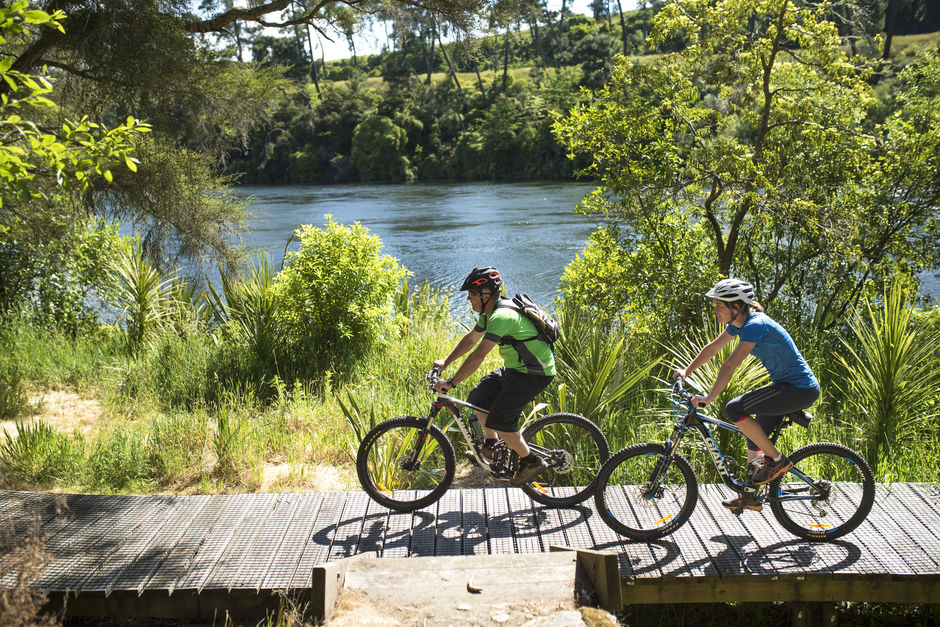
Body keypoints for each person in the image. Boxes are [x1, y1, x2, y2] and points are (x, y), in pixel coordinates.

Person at [674, 278, 820, 512]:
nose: (715, 310)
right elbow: (713, 348)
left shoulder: (755, 325)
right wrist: (686, 371)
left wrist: (709, 399)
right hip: (785, 387)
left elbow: (729, 366)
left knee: (734, 408)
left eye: (719, 305)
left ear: (736, 306)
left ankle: (778, 461)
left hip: (799, 389)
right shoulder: (740, 324)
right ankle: (750, 494)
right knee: (754, 433)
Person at [432, 267, 556, 486]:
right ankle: (493, 447)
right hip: (516, 369)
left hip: (535, 372)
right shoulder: (489, 314)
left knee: (501, 420)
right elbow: (471, 339)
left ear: (486, 294)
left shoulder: (501, 316)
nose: (469, 298)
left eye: (472, 293)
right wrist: (446, 362)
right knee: (479, 397)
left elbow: (479, 354)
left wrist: (451, 383)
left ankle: (531, 461)